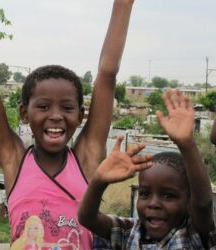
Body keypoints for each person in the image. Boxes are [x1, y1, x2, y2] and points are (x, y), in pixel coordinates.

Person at [0, 0, 134, 247]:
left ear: (80, 116)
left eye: (67, 108)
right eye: (44, 106)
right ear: (24, 114)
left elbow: (107, 73)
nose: (56, 115)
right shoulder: (15, 160)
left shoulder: (85, 159)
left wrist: (122, 5)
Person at [78, 89, 216, 249]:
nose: (153, 203)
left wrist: (187, 144)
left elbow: (203, 204)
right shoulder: (130, 232)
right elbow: (87, 217)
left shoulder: (193, 234)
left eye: (168, 196)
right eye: (144, 194)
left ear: (188, 201)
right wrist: (99, 180)